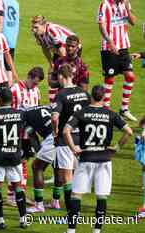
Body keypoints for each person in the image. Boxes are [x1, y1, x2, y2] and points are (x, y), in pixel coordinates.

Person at [63, 85, 133, 233]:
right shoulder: (111, 114)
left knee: (76, 195)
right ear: (103, 97)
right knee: (101, 197)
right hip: (104, 159)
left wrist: (73, 148)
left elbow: (66, 131)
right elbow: (129, 131)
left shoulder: (81, 112)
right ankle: (97, 231)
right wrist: (117, 147)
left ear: (91, 97)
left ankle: (71, 231)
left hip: (86, 157)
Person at [0, 88, 27, 229]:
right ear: (12, 100)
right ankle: (23, 219)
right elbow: (26, 135)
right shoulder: (20, 115)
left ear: (0, 100)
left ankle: (0, 221)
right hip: (15, 156)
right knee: (18, 187)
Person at [51, 64, 90, 212]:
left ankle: (70, 214)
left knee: (67, 178)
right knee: (77, 177)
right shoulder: (83, 92)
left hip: (65, 140)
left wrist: (55, 133)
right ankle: (76, 211)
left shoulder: (60, 94)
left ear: (61, 76)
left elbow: (55, 117)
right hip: (81, 139)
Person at [6, 66, 43, 206]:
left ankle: (20, 194)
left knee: (24, 163)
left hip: (30, 135)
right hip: (16, 134)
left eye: (37, 84)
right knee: (14, 164)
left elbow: (38, 110)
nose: (35, 86)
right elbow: (6, 109)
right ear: (28, 76)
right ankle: (11, 196)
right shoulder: (15, 89)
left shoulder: (37, 91)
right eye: (34, 82)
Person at [98, 0, 137, 121]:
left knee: (130, 76)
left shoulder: (125, 3)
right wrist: (110, 42)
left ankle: (124, 109)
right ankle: (106, 108)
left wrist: (127, 8)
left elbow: (133, 22)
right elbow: (101, 25)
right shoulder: (105, 4)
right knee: (110, 78)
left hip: (124, 45)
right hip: (109, 47)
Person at [31, 15, 76, 103]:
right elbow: (44, 48)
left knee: (67, 75)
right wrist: (51, 63)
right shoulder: (38, 33)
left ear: (43, 25)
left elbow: (62, 49)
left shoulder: (51, 30)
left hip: (71, 49)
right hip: (58, 51)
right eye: (33, 27)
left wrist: (65, 65)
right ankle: (53, 104)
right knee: (52, 76)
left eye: (36, 27)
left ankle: (72, 100)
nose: (34, 30)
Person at [24, 105, 56, 213]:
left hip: (52, 138)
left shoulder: (24, 116)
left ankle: (39, 205)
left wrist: (36, 152)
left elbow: (30, 134)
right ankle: (55, 202)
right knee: (58, 166)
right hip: (65, 134)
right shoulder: (42, 107)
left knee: (37, 166)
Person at [0, 0, 19, 85]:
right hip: (12, 39)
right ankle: (9, 91)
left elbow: (0, 20)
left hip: (2, 38)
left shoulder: (0, 2)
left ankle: (0, 93)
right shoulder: (15, 3)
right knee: (8, 68)